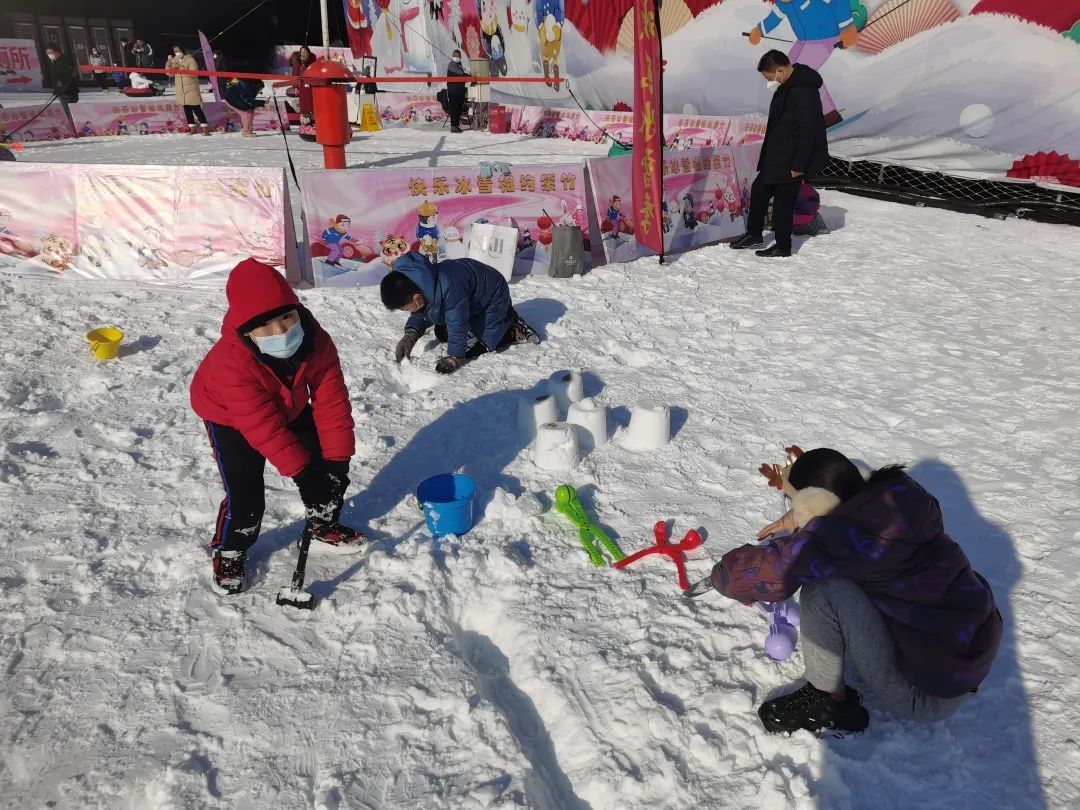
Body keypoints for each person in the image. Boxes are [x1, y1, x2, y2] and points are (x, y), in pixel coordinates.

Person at [708, 448, 1003, 736]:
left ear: (813, 504)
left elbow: (757, 576)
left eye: (795, 504)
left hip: (925, 696)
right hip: (967, 663)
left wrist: (719, 573)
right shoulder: (901, 502)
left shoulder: (837, 539)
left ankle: (824, 700)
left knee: (823, 590)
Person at [190, 258, 367, 594]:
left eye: (287, 316)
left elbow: (331, 402)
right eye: (266, 326)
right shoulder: (232, 364)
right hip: (230, 417)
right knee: (247, 496)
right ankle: (231, 550)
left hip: (289, 402)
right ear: (246, 329)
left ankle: (322, 525)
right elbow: (263, 427)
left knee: (324, 472)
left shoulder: (314, 340)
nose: (282, 331)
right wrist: (303, 476)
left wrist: (336, 464)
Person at [729, 50, 828, 258]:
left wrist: (799, 165)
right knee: (759, 191)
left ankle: (783, 246)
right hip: (776, 155)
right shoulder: (786, 85)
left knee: (784, 202)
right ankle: (754, 234)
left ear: (781, 71)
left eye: (769, 77)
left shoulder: (804, 91)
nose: (768, 81)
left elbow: (807, 131)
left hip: (792, 158)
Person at [381, 251, 540, 374]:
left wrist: (455, 357)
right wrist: (411, 334)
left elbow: (457, 322)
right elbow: (424, 311)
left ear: (417, 298)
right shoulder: (418, 283)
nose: (407, 312)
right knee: (443, 333)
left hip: (492, 299)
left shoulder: (449, 287)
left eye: (406, 308)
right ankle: (504, 318)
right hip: (470, 300)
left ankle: (512, 328)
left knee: (475, 349)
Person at [166, 45, 209, 135]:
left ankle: (205, 128)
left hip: (191, 88)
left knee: (196, 108)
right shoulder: (174, 60)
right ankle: (192, 128)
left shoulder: (190, 59)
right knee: (187, 109)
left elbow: (194, 73)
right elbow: (170, 74)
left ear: (182, 50)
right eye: (174, 51)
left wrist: (180, 67)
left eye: (178, 50)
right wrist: (169, 64)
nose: (176, 52)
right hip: (181, 89)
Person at [43, 46, 79, 117]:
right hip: (62, 92)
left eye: (50, 53)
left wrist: (61, 89)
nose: (49, 55)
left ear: (57, 52)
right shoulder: (56, 62)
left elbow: (68, 77)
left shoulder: (65, 61)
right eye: (47, 53)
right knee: (67, 112)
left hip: (67, 93)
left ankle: (72, 125)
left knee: (69, 113)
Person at [445, 49, 470, 133]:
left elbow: (463, 75)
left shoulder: (458, 65)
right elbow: (462, 76)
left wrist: (470, 76)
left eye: (458, 56)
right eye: (455, 56)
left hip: (459, 91)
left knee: (459, 109)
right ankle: (453, 126)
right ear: (453, 56)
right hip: (454, 92)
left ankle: (456, 125)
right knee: (454, 109)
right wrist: (469, 77)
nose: (456, 57)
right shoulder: (452, 65)